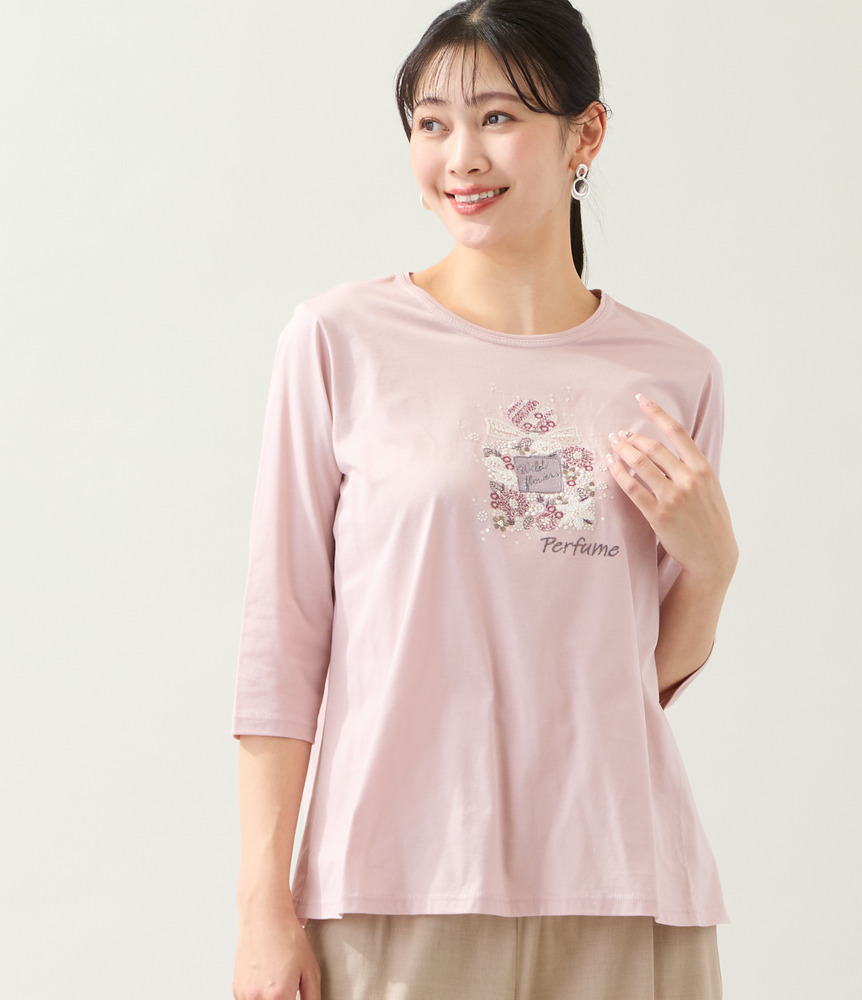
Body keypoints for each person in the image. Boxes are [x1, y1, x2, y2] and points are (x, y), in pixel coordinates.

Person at [230, 1, 739, 998]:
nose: (460, 155)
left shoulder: (676, 374)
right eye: (432, 123)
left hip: (624, 885)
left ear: (586, 134)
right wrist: (260, 902)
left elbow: (637, 674)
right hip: (395, 881)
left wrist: (713, 568)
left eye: (498, 117)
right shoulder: (341, 341)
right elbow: (280, 641)